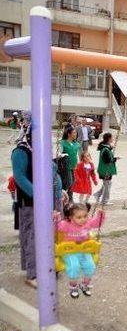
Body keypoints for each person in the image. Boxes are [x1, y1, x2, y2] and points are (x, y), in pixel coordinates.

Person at [11, 129, 63, 288]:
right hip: (30, 203)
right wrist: (40, 195)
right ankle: (32, 273)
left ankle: (47, 267)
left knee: (49, 236)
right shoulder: (20, 151)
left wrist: (60, 191)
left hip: (49, 202)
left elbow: (53, 173)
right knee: (31, 237)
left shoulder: (42, 151)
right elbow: (19, 177)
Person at [55, 203, 105, 298]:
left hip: (84, 250)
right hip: (69, 251)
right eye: (79, 217)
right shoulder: (66, 224)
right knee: (74, 266)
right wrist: (56, 218)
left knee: (90, 266)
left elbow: (97, 222)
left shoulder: (88, 223)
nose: (83, 219)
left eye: (85, 216)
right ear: (71, 217)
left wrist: (100, 215)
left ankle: (85, 284)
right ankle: (73, 286)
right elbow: (57, 226)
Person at [94, 133, 119, 206]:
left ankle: (97, 194)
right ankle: (104, 200)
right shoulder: (105, 149)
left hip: (106, 169)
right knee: (107, 184)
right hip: (105, 170)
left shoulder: (107, 148)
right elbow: (107, 161)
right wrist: (115, 159)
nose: (113, 139)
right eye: (112, 137)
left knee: (107, 184)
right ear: (108, 139)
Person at [60, 126, 80, 201]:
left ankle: (70, 199)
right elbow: (58, 154)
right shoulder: (62, 143)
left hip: (73, 167)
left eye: (76, 133)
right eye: (74, 133)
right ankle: (63, 197)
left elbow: (77, 155)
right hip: (65, 167)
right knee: (68, 183)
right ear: (69, 134)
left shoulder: (76, 144)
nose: (76, 134)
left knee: (72, 183)